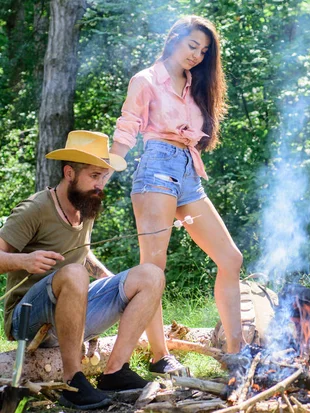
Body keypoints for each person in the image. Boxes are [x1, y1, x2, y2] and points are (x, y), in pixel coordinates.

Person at [109, 15, 243, 367]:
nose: (197, 55)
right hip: (156, 169)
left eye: (204, 50)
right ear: (174, 39)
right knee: (154, 268)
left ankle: (237, 349)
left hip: (188, 173)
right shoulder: (146, 80)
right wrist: (106, 172)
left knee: (231, 259)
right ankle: (160, 356)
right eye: (192, 46)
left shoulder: (196, 83)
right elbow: (127, 128)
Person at [0, 131, 166, 409]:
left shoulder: (84, 206)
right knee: (76, 273)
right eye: (94, 176)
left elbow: (82, 252)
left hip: (70, 316)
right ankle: (73, 382)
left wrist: (105, 278)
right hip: (26, 320)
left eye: (103, 177)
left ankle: (114, 372)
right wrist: (25, 261)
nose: (100, 184)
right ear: (69, 173)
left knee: (150, 275)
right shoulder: (35, 208)